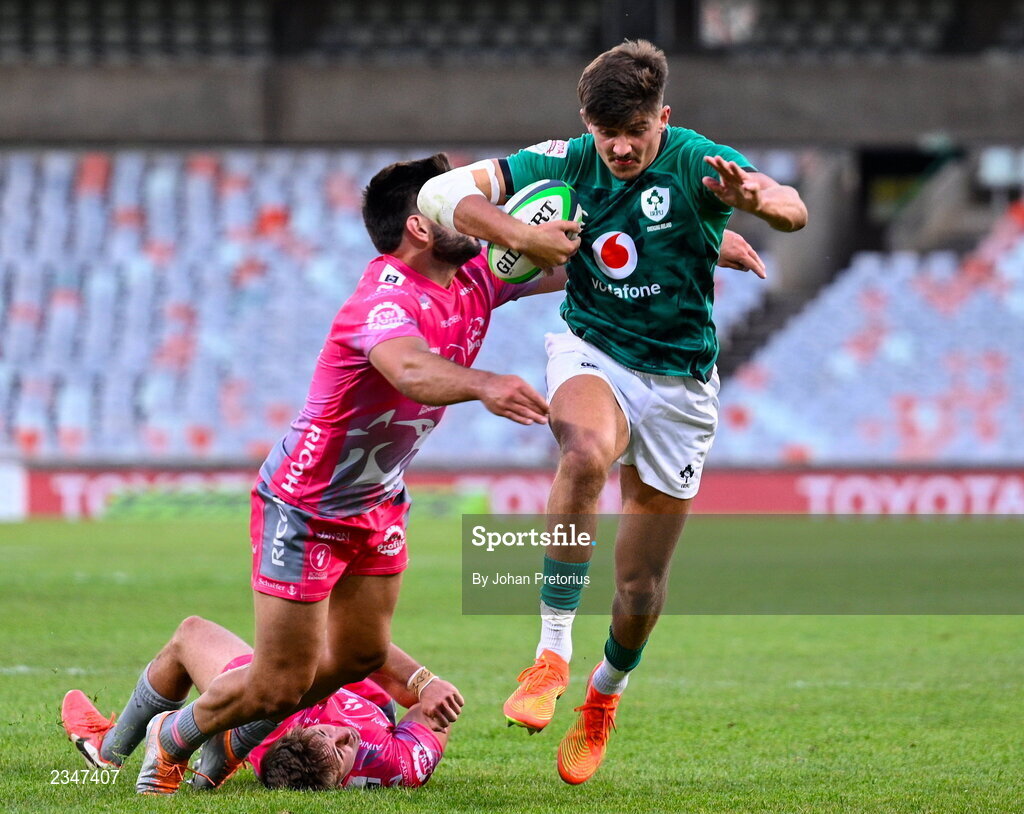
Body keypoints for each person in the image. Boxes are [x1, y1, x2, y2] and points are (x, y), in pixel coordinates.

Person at [417, 39, 806, 784]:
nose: (622, 148)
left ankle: (603, 697)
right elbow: (439, 198)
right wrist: (517, 234)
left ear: (665, 117)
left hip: (682, 388)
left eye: (636, 132)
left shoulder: (694, 160)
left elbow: (789, 204)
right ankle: (550, 653)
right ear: (586, 125)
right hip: (592, 348)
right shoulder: (562, 160)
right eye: (608, 135)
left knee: (638, 588)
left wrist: (759, 205)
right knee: (583, 451)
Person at [129, 152, 563, 795]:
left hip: (377, 498)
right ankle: (175, 736)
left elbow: (562, 266)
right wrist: (485, 383)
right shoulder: (382, 297)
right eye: (455, 201)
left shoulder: (472, 275)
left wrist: (685, 247)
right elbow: (410, 370)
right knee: (281, 680)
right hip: (305, 504)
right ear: (421, 224)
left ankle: (222, 734)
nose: (477, 215)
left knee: (359, 655)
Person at [60, 616, 462, 790]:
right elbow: (435, 713)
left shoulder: (285, 724)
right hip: (360, 696)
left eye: (330, 738)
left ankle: (109, 748)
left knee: (191, 634)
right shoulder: (398, 765)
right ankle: (216, 761)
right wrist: (422, 685)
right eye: (344, 749)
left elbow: (341, 642)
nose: (345, 734)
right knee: (355, 655)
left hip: (276, 710)